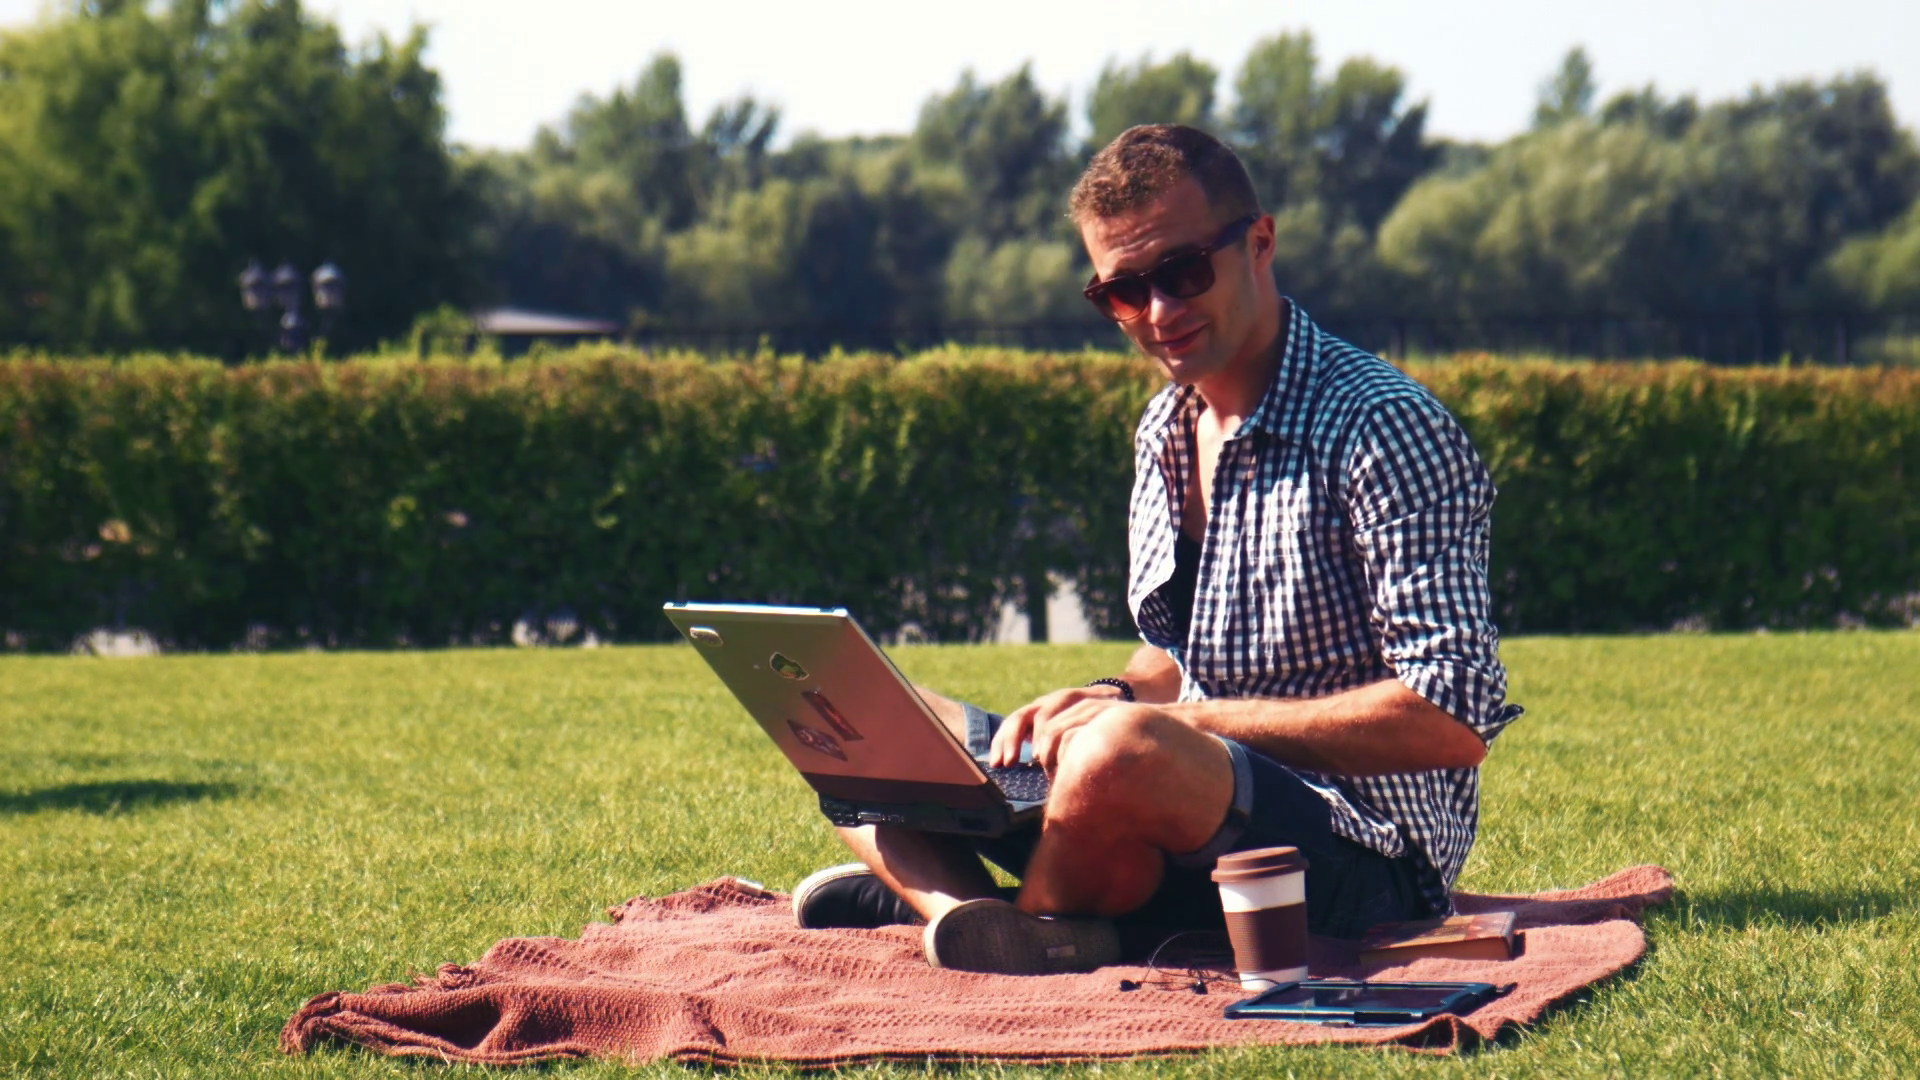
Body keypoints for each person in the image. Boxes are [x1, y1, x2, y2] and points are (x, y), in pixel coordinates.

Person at [792, 124, 1522, 975]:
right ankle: (974, 916)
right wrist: (1112, 693)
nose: (1160, 313)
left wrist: (1168, 726)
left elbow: (1452, 715)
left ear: (1260, 243)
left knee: (1118, 751)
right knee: (850, 714)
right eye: (1124, 292)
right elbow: (1181, 652)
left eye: (1183, 272)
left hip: (1367, 858)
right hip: (1173, 798)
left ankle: (1000, 916)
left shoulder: (1383, 426)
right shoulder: (1167, 426)